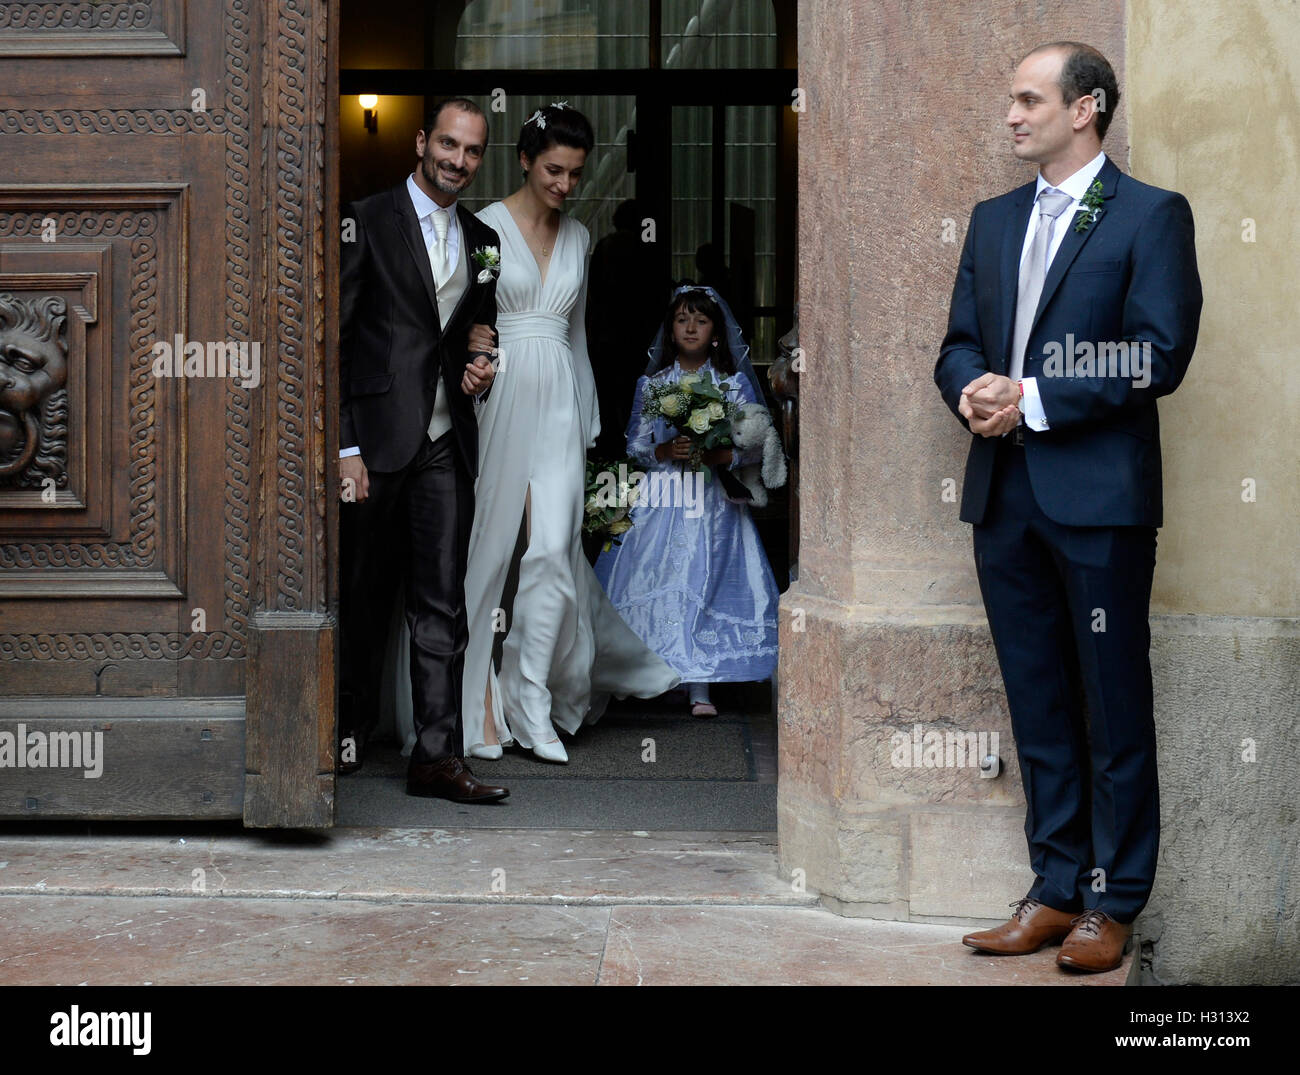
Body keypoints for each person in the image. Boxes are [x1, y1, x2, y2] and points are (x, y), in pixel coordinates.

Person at [934, 43, 1201, 972]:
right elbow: (959, 343)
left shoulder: (1152, 216)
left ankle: (1113, 901)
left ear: (1084, 108)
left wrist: (1033, 399)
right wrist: (971, 389)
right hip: (1003, 499)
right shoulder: (993, 219)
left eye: (1027, 99)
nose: (1011, 115)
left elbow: (1155, 353)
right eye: (1011, 99)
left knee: (1112, 703)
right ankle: (1053, 891)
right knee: (1038, 703)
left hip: (1099, 505)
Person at [460, 103, 679, 764]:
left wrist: (588, 418)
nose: (564, 183)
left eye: (575, 173)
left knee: (554, 550)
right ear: (525, 160)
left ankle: (532, 697)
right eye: (554, 169)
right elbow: (465, 319)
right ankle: (476, 707)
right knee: (490, 555)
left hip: (559, 398)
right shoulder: (484, 229)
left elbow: (579, 333)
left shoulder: (582, 239)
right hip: (500, 398)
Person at [337, 97, 510, 804]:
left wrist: (481, 364)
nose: (458, 161)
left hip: (446, 439)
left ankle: (437, 759)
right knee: (361, 595)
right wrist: (344, 445)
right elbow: (337, 339)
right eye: (448, 145)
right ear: (421, 142)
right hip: (374, 440)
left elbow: (476, 329)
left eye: (471, 151)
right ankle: (344, 735)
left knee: (443, 603)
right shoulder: (366, 218)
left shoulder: (481, 238)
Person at [593, 286, 782, 716]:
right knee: (658, 579)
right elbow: (635, 445)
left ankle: (702, 685)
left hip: (712, 498)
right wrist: (663, 452)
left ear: (715, 332)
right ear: (670, 329)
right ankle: (651, 675)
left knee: (706, 578)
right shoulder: (654, 384)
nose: (691, 327)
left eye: (700, 320)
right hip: (664, 493)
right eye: (682, 319)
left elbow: (757, 440)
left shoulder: (732, 385)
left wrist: (724, 455)